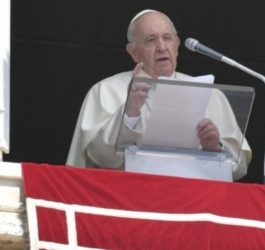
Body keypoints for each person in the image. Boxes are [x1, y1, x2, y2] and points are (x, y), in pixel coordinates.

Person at [66, 9, 252, 180]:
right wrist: (129, 114)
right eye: (151, 40)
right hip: (130, 203)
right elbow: (100, 159)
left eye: (167, 38)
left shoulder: (211, 94)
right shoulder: (106, 91)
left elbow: (239, 168)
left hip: (194, 204)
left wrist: (215, 148)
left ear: (177, 45)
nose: (162, 47)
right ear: (134, 53)